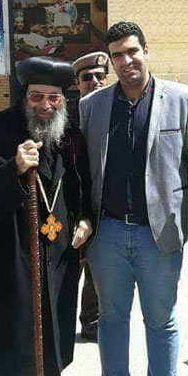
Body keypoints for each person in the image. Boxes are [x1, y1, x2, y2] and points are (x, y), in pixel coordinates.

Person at [79, 21, 188, 376]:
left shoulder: (184, 99)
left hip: (160, 235)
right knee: (111, 321)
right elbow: (82, 171)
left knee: (160, 321)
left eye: (132, 51)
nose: (126, 61)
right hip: (107, 234)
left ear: (146, 51)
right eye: (117, 55)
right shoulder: (92, 106)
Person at [0, 56, 94, 376]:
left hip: (57, 264)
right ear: (24, 96)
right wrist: (13, 169)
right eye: (37, 96)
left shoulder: (70, 137)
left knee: (48, 352)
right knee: (8, 354)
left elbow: (84, 189)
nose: (45, 105)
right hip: (10, 263)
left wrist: (86, 219)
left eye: (54, 98)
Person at [70, 50, 109, 341]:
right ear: (77, 83)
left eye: (99, 76)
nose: (94, 81)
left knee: (98, 267)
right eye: (87, 77)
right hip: (71, 203)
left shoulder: (114, 109)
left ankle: (92, 320)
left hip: (102, 203)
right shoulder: (65, 114)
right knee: (68, 268)